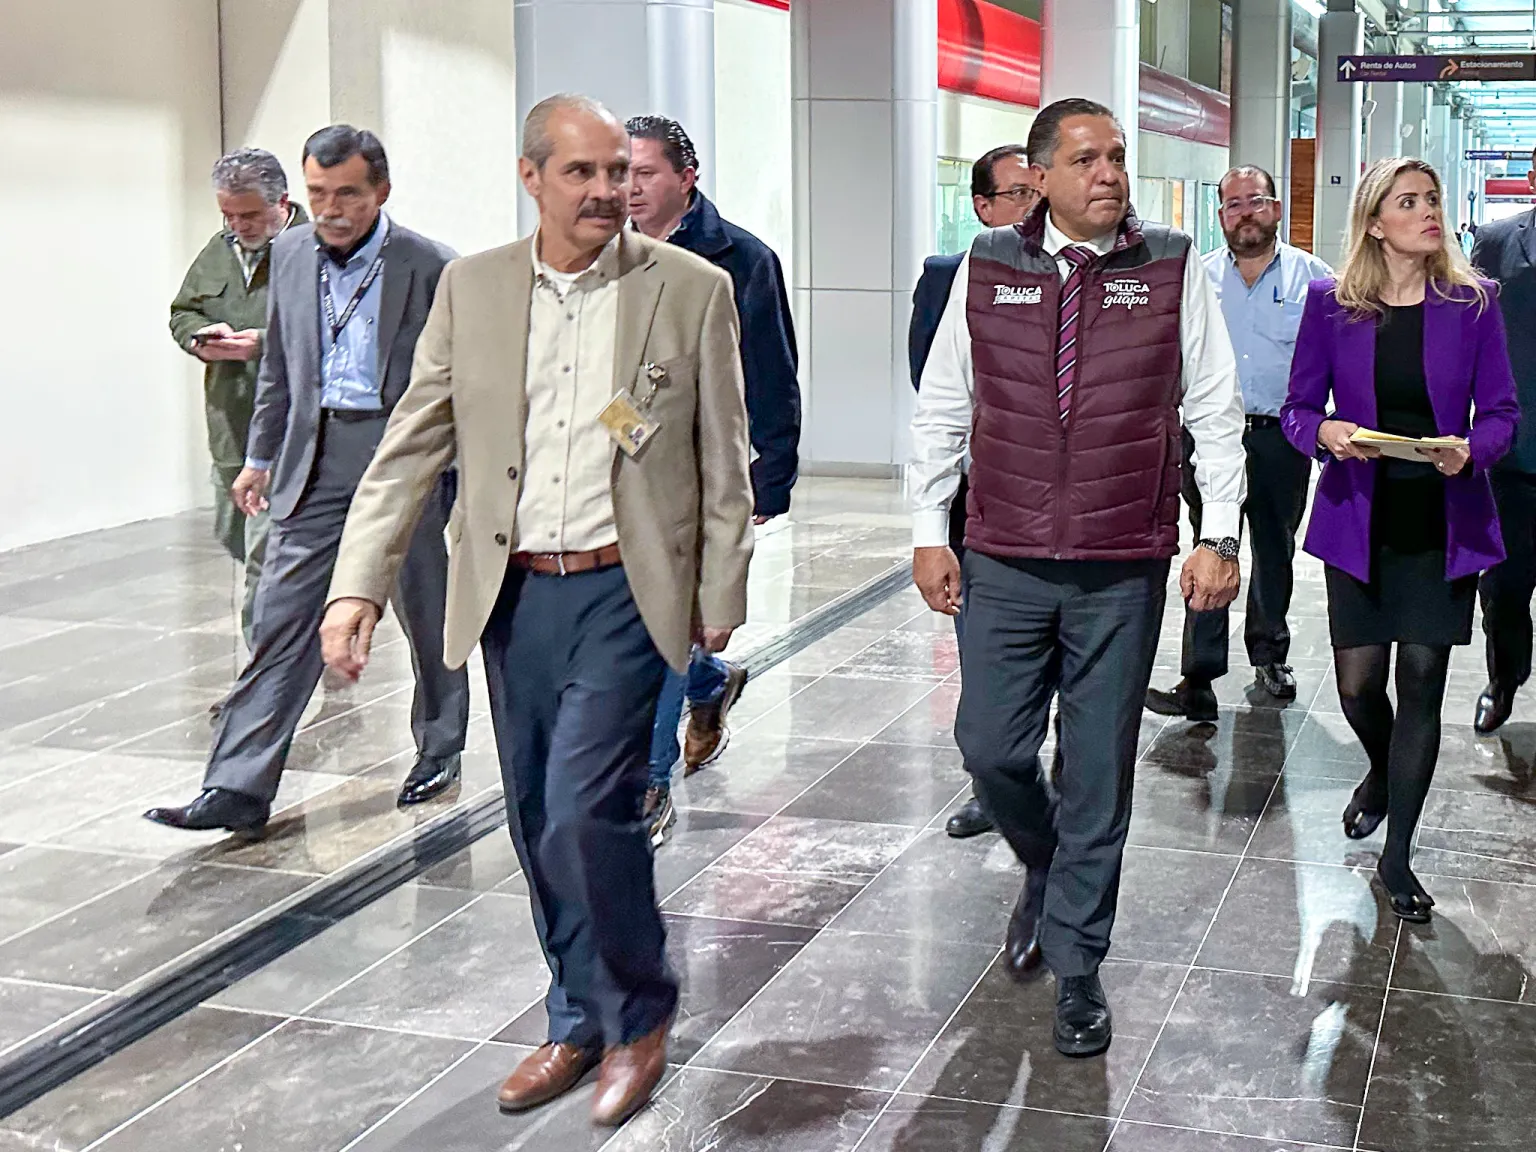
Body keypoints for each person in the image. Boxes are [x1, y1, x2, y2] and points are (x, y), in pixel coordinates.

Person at [319, 94, 753, 1127]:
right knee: (532, 817)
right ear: (531, 178)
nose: (606, 190)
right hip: (511, 592)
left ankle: (639, 1013)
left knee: (585, 808)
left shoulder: (689, 289)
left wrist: (721, 592)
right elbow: (411, 447)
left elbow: (723, 454)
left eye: (617, 171)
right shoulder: (473, 289)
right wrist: (357, 584)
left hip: (626, 586)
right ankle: (575, 1016)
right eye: (581, 172)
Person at [910, 98, 1246, 1058]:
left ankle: (1078, 963)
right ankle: (1048, 862)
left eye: (1118, 157)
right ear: (1041, 176)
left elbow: (1214, 409)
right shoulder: (988, 266)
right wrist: (930, 530)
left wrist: (1219, 534)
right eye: (1088, 158)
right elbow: (944, 405)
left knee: (1098, 771)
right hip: (1003, 553)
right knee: (990, 749)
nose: (1109, 173)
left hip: (1120, 563)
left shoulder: (1169, 264)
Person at [145, 125, 471, 835]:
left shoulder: (432, 266)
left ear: (380, 191)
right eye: (318, 193)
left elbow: (463, 384)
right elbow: (280, 370)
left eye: (346, 194)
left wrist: (460, 476)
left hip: (402, 459)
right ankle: (237, 785)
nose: (330, 209)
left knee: (425, 612)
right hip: (313, 456)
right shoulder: (291, 255)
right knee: (280, 618)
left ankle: (440, 747)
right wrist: (259, 458)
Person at [1281, 156, 1517, 923]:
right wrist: (1327, 433)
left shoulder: (1473, 303)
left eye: (1432, 199)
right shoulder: (1332, 304)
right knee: (1358, 687)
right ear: (1376, 222)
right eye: (1409, 201)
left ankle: (1398, 856)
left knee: (1421, 680)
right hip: (1359, 518)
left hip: (1442, 521)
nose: (1428, 212)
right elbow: (1296, 410)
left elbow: (1504, 415)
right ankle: (1382, 771)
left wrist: (1471, 451)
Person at [625, 114, 800, 843]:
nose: (630, 188)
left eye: (645, 173)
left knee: (668, 616)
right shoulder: (601, 254)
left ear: (686, 177)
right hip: (622, 468)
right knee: (640, 621)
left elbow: (772, 371)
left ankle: (650, 780)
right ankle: (710, 680)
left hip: (700, 474)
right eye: (621, 173)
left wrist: (772, 474)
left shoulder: (741, 259)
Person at [1146, 166, 1333, 722]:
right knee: (1210, 545)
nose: (1245, 212)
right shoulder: (1198, 278)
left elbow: (1335, 359)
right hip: (1209, 439)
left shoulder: (1314, 279)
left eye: (1255, 201)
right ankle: (1198, 677)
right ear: (1221, 215)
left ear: (1276, 209)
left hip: (1281, 440)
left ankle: (1269, 656)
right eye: (1233, 204)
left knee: (1274, 549)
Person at [909, 144, 1040, 840]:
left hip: (1061, 499)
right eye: (1016, 195)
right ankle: (994, 787)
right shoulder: (947, 276)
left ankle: (1052, 783)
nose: (1031, 206)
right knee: (987, 651)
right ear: (983, 208)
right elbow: (931, 384)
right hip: (977, 494)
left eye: (1036, 191)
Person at [170, 149, 307, 649]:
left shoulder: (313, 250)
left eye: (248, 214)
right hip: (231, 423)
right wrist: (198, 338)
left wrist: (263, 343)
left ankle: (262, 671)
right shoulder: (220, 248)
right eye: (227, 214)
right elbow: (183, 311)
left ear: (282, 202)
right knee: (237, 537)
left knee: (264, 557)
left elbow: (330, 333)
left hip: (289, 432)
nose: (237, 225)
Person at [1469, 167, 1536, 734]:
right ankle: (1503, 680)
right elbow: (1467, 330)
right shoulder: (1495, 241)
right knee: (1504, 586)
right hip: (1515, 451)